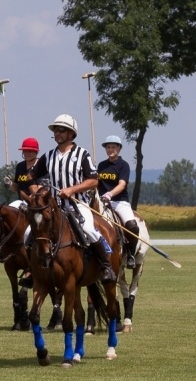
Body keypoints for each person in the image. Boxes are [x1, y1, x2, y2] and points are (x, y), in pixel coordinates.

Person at [27, 114, 116, 283]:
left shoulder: (82, 154)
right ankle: (31, 271)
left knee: (89, 229)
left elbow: (93, 180)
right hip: (53, 207)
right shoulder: (48, 156)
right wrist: (35, 193)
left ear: (71, 133)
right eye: (55, 130)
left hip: (77, 205)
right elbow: (31, 176)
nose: (57, 133)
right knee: (29, 234)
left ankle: (106, 267)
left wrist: (72, 189)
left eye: (61, 130)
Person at [97, 134, 139, 270]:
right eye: (108, 147)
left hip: (119, 202)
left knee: (132, 226)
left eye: (113, 147)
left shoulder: (123, 165)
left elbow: (122, 185)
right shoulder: (101, 165)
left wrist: (110, 194)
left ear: (119, 149)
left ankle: (131, 255)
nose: (110, 150)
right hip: (102, 202)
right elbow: (96, 183)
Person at [5, 137, 39, 288]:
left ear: (36, 152)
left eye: (31, 151)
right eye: (25, 151)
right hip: (21, 201)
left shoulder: (41, 166)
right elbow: (17, 188)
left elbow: (43, 186)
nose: (28, 153)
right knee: (5, 214)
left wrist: (32, 199)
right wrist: (9, 184)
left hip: (36, 202)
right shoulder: (20, 167)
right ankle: (3, 249)